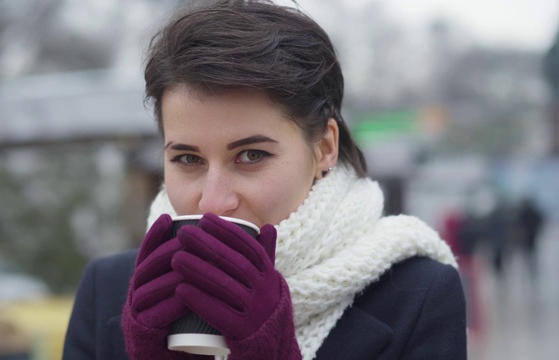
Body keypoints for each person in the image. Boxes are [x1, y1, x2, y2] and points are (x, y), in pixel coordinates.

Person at [63, 1, 466, 359]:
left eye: (251, 156)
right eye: (187, 158)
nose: (213, 202)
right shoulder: (111, 291)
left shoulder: (417, 295)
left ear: (324, 148)